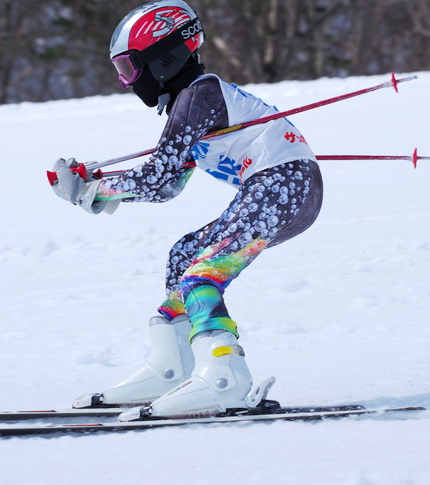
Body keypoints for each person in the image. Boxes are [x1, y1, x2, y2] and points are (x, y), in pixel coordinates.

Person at [50, 0, 323, 420]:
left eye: (128, 68)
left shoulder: (200, 95)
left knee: (202, 275)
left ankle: (225, 378)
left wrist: (94, 189)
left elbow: (157, 178)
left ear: (163, 58)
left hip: (284, 186)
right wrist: (97, 190)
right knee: (184, 255)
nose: (126, 81)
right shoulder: (192, 101)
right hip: (282, 190)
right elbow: (169, 186)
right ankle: (174, 367)